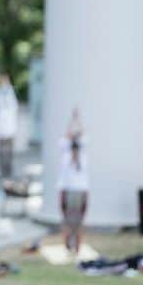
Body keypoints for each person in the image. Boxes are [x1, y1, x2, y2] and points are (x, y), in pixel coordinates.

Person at [58, 109, 89, 255]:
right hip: (69, 190)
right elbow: (66, 136)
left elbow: (83, 135)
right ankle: (67, 244)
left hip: (81, 190)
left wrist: (78, 119)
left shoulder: (83, 156)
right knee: (68, 220)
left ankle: (77, 246)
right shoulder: (65, 156)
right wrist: (72, 120)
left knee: (79, 221)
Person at [0, 74, 18, 180]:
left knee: (9, 151)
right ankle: (2, 171)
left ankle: (9, 171)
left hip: (10, 127)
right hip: (1, 127)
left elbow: (13, 108)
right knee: (1, 152)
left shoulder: (11, 92)